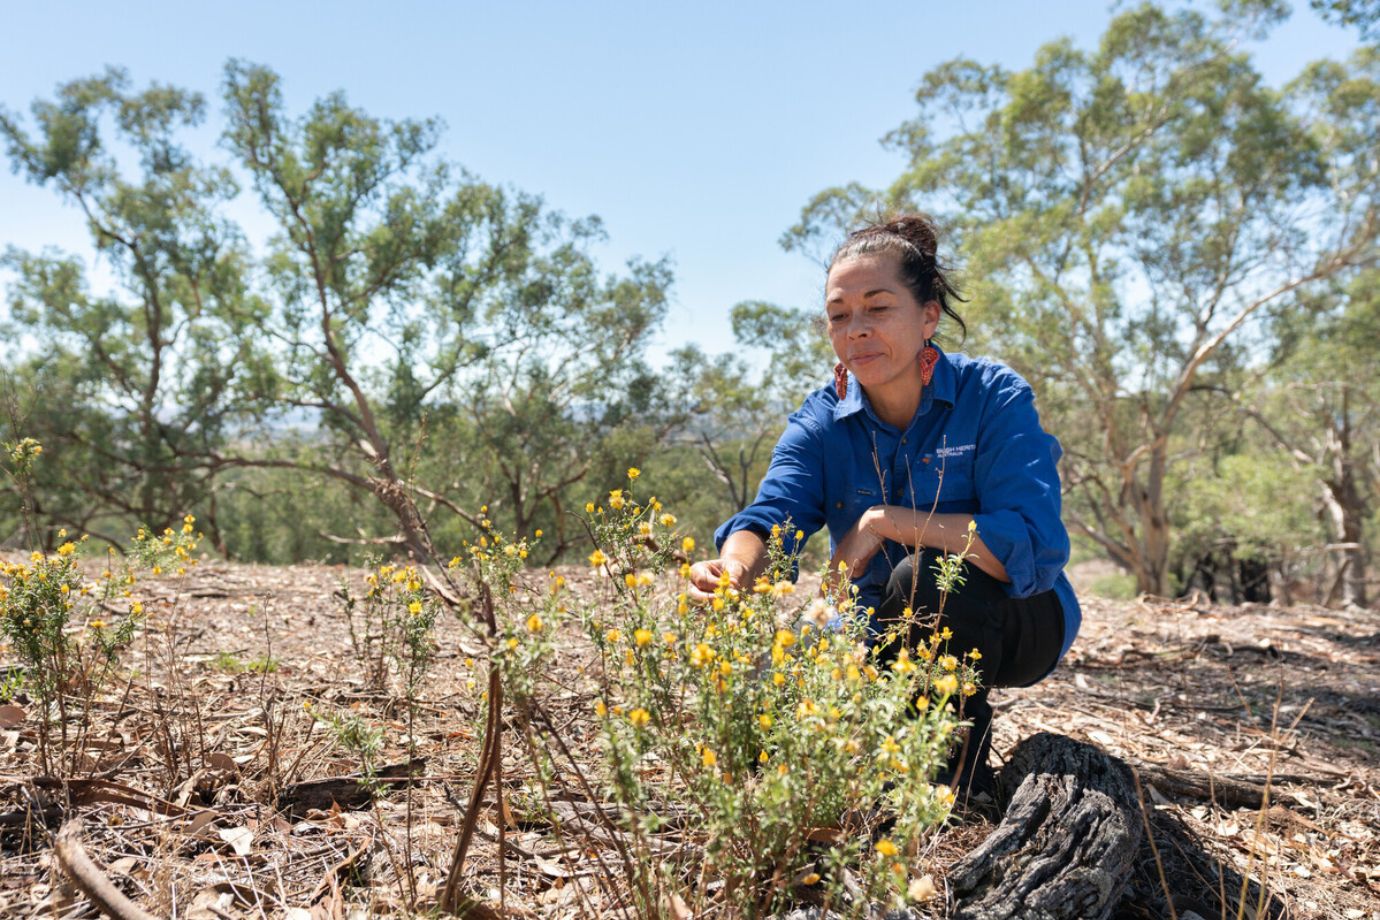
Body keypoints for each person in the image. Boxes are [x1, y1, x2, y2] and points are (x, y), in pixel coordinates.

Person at [686, 213, 1080, 796]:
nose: (857, 330)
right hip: (877, 623)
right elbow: (771, 518)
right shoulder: (821, 420)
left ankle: (949, 781)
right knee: (774, 729)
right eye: (839, 315)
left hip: (1022, 616)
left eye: (878, 308)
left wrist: (887, 522)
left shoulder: (992, 396)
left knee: (926, 576)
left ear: (928, 317)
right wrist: (736, 568)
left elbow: (1033, 544)